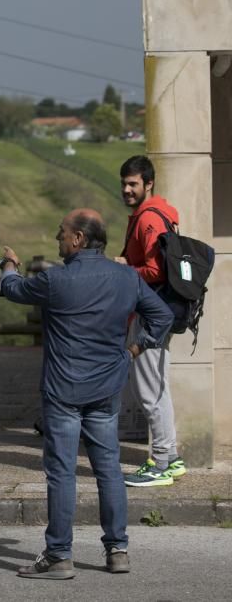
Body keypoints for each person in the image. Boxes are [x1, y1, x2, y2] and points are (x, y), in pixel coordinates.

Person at [0, 209, 172, 579]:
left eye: (61, 232)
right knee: (108, 468)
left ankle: (60, 556)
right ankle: (117, 550)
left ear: (78, 239)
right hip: (107, 386)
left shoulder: (55, 280)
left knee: (61, 472)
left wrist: (8, 265)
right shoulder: (127, 277)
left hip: (63, 389)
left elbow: (11, 289)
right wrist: (135, 349)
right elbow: (162, 317)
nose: (56, 237)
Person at [116, 155, 184, 487]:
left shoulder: (148, 221)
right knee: (156, 387)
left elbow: (156, 270)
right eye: (124, 183)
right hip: (155, 310)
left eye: (133, 184)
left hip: (150, 312)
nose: (127, 189)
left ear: (148, 184)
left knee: (149, 390)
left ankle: (160, 464)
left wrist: (123, 268)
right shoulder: (157, 214)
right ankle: (170, 458)